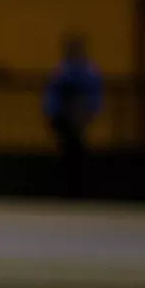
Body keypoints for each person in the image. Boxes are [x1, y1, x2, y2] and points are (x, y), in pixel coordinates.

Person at [42, 35, 102, 198]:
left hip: (80, 118)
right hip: (64, 119)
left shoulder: (88, 71)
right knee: (66, 153)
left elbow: (94, 96)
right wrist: (53, 114)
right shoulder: (61, 71)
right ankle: (63, 190)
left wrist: (87, 113)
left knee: (78, 154)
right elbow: (52, 96)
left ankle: (80, 191)